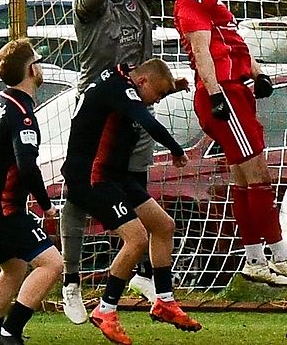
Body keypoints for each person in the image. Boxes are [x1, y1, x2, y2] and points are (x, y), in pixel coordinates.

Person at [61, 0, 191, 324]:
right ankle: (71, 281)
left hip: (136, 106)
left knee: (135, 185)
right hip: (99, 110)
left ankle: (146, 276)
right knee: (81, 191)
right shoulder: (87, 4)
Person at [172, 0, 287, 286]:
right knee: (259, 175)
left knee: (242, 179)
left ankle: (254, 260)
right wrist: (215, 94)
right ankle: (281, 255)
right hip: (223, 92)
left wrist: (258, 73)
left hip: (233, 88)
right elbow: (201, 50)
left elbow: (229, 44)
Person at [62, 59, 202, 345]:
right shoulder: (120, 88)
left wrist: (171, 87)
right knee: (136, 238)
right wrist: (177, 150)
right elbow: (148, 121)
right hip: (92, 177)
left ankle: (165, 301)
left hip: (115, 175)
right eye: (158, 95)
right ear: (143, 82)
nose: (157, 101)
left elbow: (143, 85)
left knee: (163, 225)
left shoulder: (122, 78)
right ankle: (106, 310)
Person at [0, 39, 64, 345]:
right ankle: (9, 333)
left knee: (14, 268)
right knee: (52, 264)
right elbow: (27, 167)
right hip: (0, 206)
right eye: (38, 62)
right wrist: (46, 205)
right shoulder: (21, 113)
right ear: (32, 69)